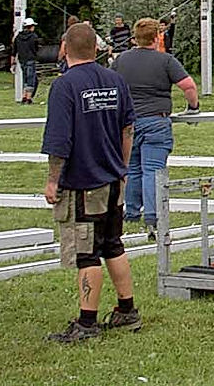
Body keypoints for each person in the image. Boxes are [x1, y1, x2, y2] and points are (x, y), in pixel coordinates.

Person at [40, 22, 140, 341]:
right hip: (113, 180)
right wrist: (122, 167)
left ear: (65, 48)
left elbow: (59, 140)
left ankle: (86, 323)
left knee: (87, 253)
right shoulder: (115, 80)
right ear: (96, 49)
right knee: (113, 245)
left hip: (84, 183)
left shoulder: (64, 86)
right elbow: (128, 129)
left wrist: (53, 181)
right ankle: (127, 310)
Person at [112, 17, 200, 238]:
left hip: (127, 123)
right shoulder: (166, 60)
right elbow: (188, 85)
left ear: (135, 37)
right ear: (156, 37)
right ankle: (152, 216)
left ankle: (131, 213)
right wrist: (193, 107)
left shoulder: (121, 60)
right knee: (152, 169)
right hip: (155, 121)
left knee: (131, 168)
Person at [10, 17, 41, 104]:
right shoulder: (34, 36)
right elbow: (36, 48)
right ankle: (28, 98)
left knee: (25, 78)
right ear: (31, 26)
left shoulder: (18, 37)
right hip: (31, 59)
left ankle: (24, 96)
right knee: (31, 78)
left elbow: (14, 51)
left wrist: (12, 63)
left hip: (22, 60)